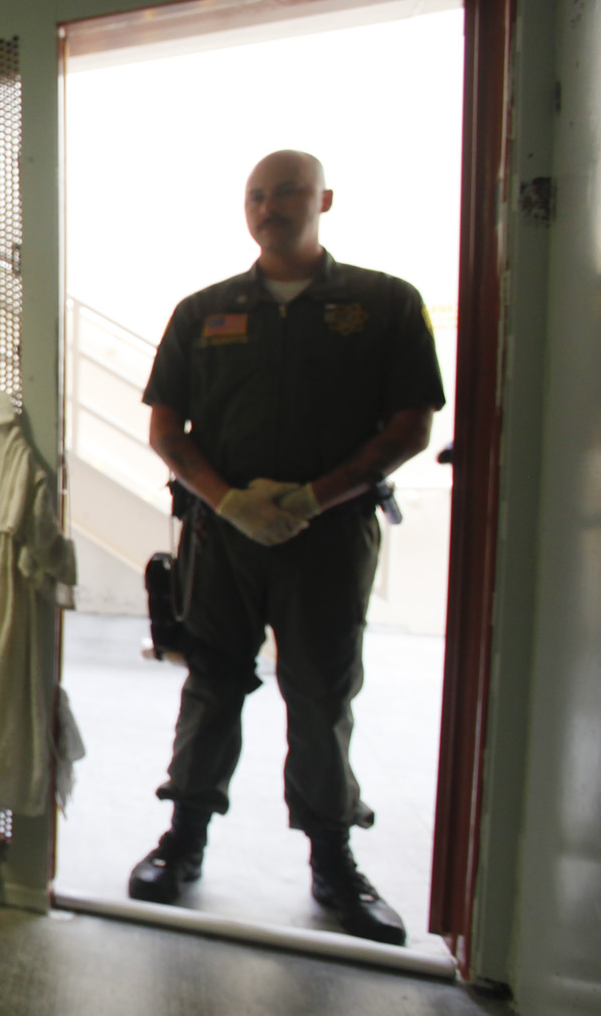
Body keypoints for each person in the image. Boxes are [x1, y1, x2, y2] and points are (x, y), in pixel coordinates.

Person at [130, 149, 446, 945]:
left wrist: (311, 498)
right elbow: (167, 429)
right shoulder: (203, 310)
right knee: (212, 682)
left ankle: (333, 861)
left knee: (321, 695)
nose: (270, 206)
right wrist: (232, 502)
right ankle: (183, 842)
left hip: (328, 539)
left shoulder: (384, 304)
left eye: (288, 193)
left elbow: (412, 425)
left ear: (325, 200)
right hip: (223, 538)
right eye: (257, 195)